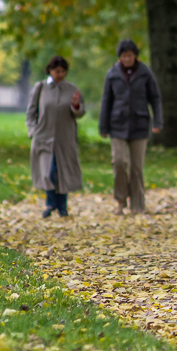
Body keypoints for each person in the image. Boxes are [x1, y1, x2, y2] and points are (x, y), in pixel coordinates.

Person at [98, 39, 163, 215]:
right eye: (124, 56)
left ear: (135, 56)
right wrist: (103, 126)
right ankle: (120, 200)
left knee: (137, 167)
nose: (127, 59)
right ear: (119, 57)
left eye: (130, 55)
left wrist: (157, 122)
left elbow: (155, 98)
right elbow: (106, 101)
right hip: (117, 124)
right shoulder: (112, 74)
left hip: (140, 125)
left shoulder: (145, 73)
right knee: (119, 162)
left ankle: (138, 204)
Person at [26, 55, 85, 218]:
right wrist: (32, 131)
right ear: (50, 70)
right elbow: (31, 112)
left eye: (63, 71)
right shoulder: (40, 88)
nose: (61, 74)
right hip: (43, 136)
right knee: (47, 171)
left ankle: (62, 206)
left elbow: (80, 112)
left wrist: (75, 105)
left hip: (65, 138)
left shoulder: (72, 89)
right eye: (57, 71)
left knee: (62, 172)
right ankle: (50, 202)